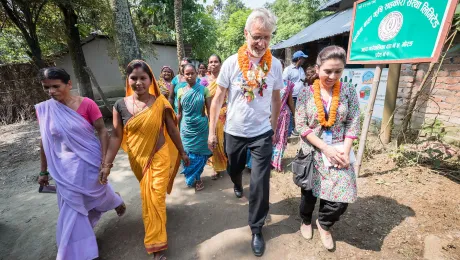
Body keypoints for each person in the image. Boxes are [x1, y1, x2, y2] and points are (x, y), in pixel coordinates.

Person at [208, 8, 282, 257]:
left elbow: (275, 98)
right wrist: (212, 133)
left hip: (261, 133)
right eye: (257, 36)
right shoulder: (230, 63)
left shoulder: (276, 65)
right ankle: (237, 180)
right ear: (246, 33)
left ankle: (257, 228)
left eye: (267, 37)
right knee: (234, 167)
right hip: (234, 131)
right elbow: (217, 100)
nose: (261, 43)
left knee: (261, 182)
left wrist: (273, 126)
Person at [101, 60, 190, 259]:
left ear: (151, 80)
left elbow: (172, 129)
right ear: (128, 79)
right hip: (137, 159)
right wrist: (107, 165)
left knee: (155, 196)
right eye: (134, 78)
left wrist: (182, 152)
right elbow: (116, 136)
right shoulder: (119, 105)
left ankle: (157, 246)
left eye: (143, 78)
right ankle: (157, 219)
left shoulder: (160, 102)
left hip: (159, 156)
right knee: (149, 196)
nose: (138, 82)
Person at [35, 67, 126, 260]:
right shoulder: (45, 109)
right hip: (63, 170)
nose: (51, 92)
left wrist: (104, 164)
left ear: (69, 84)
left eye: (55, 86)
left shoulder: (87, 104)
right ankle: (81, 253)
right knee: (73, 208)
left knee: (96, 194)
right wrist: (43, 172)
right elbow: (44, 141)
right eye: (46, 88)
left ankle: (114, 200)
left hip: (89, 162)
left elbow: (102, 131)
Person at [295, 45, 360, 250]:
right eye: (328, 71)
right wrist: (325, 148)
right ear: (317, 68)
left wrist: (345, 152)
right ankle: (306, 220)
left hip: (340, 150)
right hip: (313, 151)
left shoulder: (348, 91)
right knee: (309, 194)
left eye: (338, 71)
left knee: (341, 198)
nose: (332, 76)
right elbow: (301, 125)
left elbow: (353, 121)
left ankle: (324, 224)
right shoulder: (306, 93)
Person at [177, 64, 213, 191]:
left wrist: (212, 131)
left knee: (199, 155)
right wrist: (176, 128)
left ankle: (198, 178)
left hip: (201, 128)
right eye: (187, 73)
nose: (190, 76)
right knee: (187, 154)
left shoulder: (204, 90)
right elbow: (179, 113)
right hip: (186, 128)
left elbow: (210, 111)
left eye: (192, 73)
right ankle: (192, 174)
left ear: (196, 73)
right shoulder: (180, 91)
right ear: (183, 74)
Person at [205, 54, 228, 180]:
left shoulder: (225, 78)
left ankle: (226, 162)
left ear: (220, 63)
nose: (213, 64)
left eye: (216, 61)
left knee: (224, 140)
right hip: (210, 113)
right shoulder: (204, 80)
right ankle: (215, 167)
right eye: (211, 62)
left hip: (224, 111)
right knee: (214, 139)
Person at [271, 79, 295, 171]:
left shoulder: (266, 81)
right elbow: (291, 102)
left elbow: (290, 102)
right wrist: (295, 115)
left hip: (275, 113)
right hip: (282, 113)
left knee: (274, 137)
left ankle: (271, 161)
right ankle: (276, 161)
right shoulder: (287, 84)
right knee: (280, 138)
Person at [283, 50, 308, 137]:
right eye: (303, 58)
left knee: (299, 113)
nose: (304, 60)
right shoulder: (288, 70)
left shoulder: (301, 69)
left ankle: (296, 129)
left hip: (300, 95)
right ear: (299, 59)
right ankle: (289, 132)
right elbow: (284, 83)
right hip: (291, 96)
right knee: (290, 113)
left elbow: (303, 80)